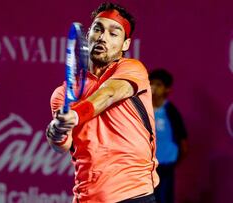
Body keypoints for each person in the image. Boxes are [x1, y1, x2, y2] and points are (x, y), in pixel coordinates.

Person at [46, 2, 159, 202]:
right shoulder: (62, 94)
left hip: (135, 194)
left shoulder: (132, 69)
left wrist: (75, 114)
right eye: (97, 29)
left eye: (113, 33)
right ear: (88, 35)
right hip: (87, 197)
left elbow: (108, 94)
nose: (102, 37)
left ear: (125, 45)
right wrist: (56, 132)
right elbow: (63, 145)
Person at [149, 69, 188, 203]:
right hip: (145, 167)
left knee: (164, 198)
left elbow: (183, 143)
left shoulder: (171, 111)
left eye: (159, 85)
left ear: (167, 90)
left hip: (165, 166)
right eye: (151, 83)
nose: (153, 88)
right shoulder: (142, 110)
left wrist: (174, 159)